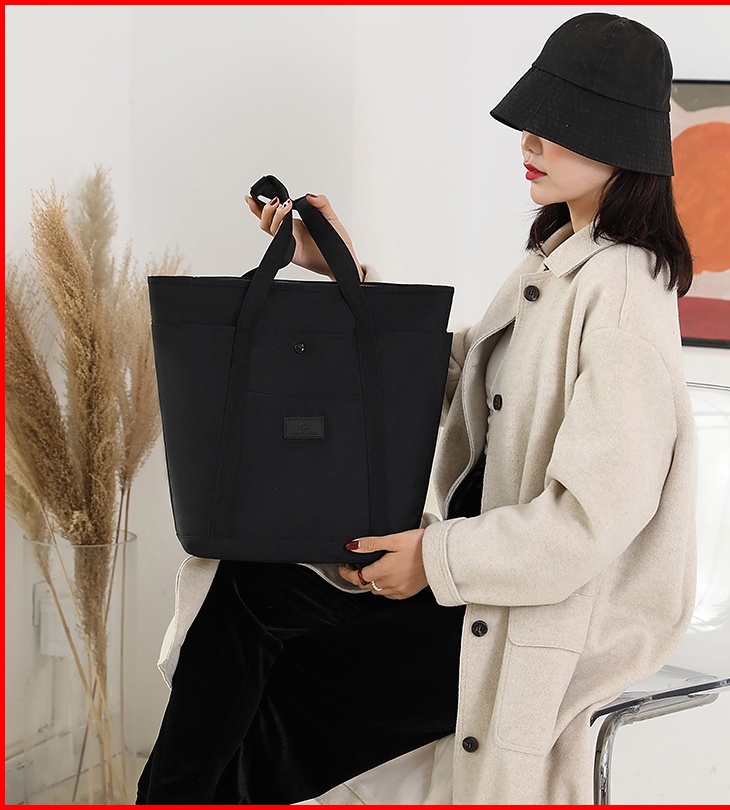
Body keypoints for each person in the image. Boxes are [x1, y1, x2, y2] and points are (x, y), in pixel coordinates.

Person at [137, 12, 696, 805]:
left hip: (516, 611)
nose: (531, 141)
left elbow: (588, 524)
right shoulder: (556, 264)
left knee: (271, 707)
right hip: (468, 578)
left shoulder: (624, 296)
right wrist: (339, 268)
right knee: (246, 588)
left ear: (622, 145)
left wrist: (433, 561)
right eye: (532, 121)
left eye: (560, 127)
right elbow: (451, 376)